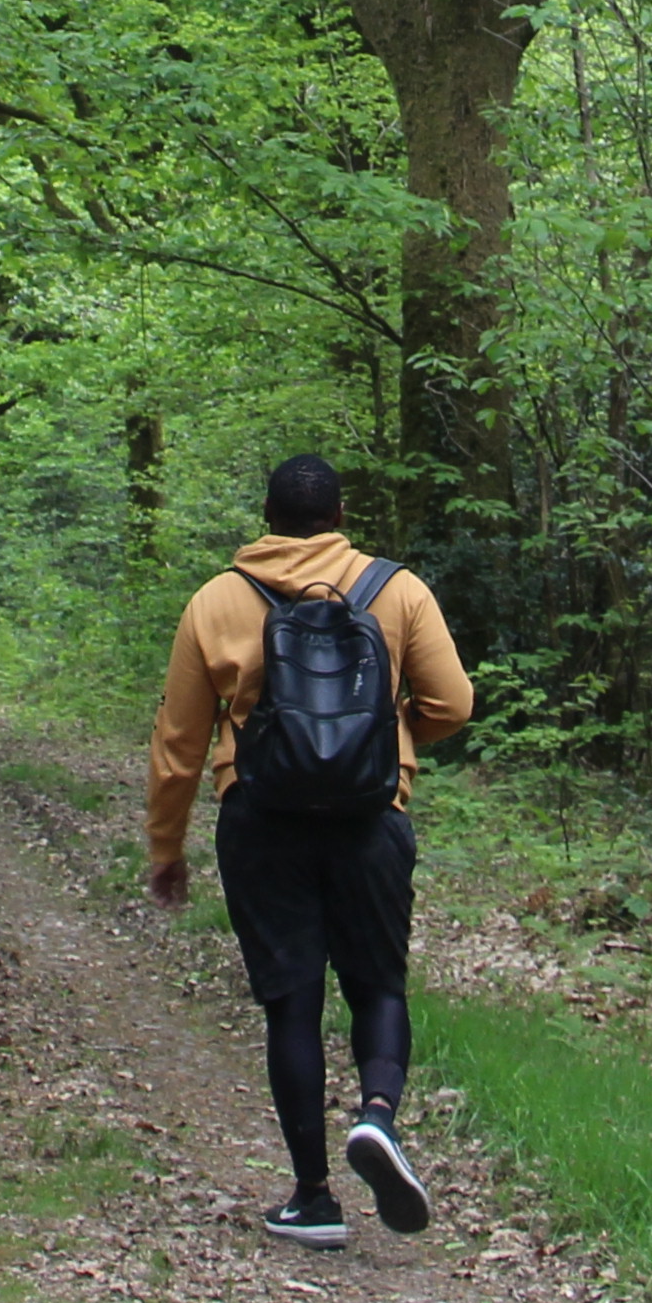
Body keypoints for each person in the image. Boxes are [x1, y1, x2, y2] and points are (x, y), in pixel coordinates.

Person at [143, 455, 477, 1247]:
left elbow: (178, 743)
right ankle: (378, 1117)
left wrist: (166, 847)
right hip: (371, 818)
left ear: (266, 518)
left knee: (291, 1002)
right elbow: (453, 703)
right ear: (340, 516)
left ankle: (313, 1197)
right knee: (378, 984)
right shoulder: (397, 589)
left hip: (261, 820)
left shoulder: (217, 600)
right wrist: (388, 739)